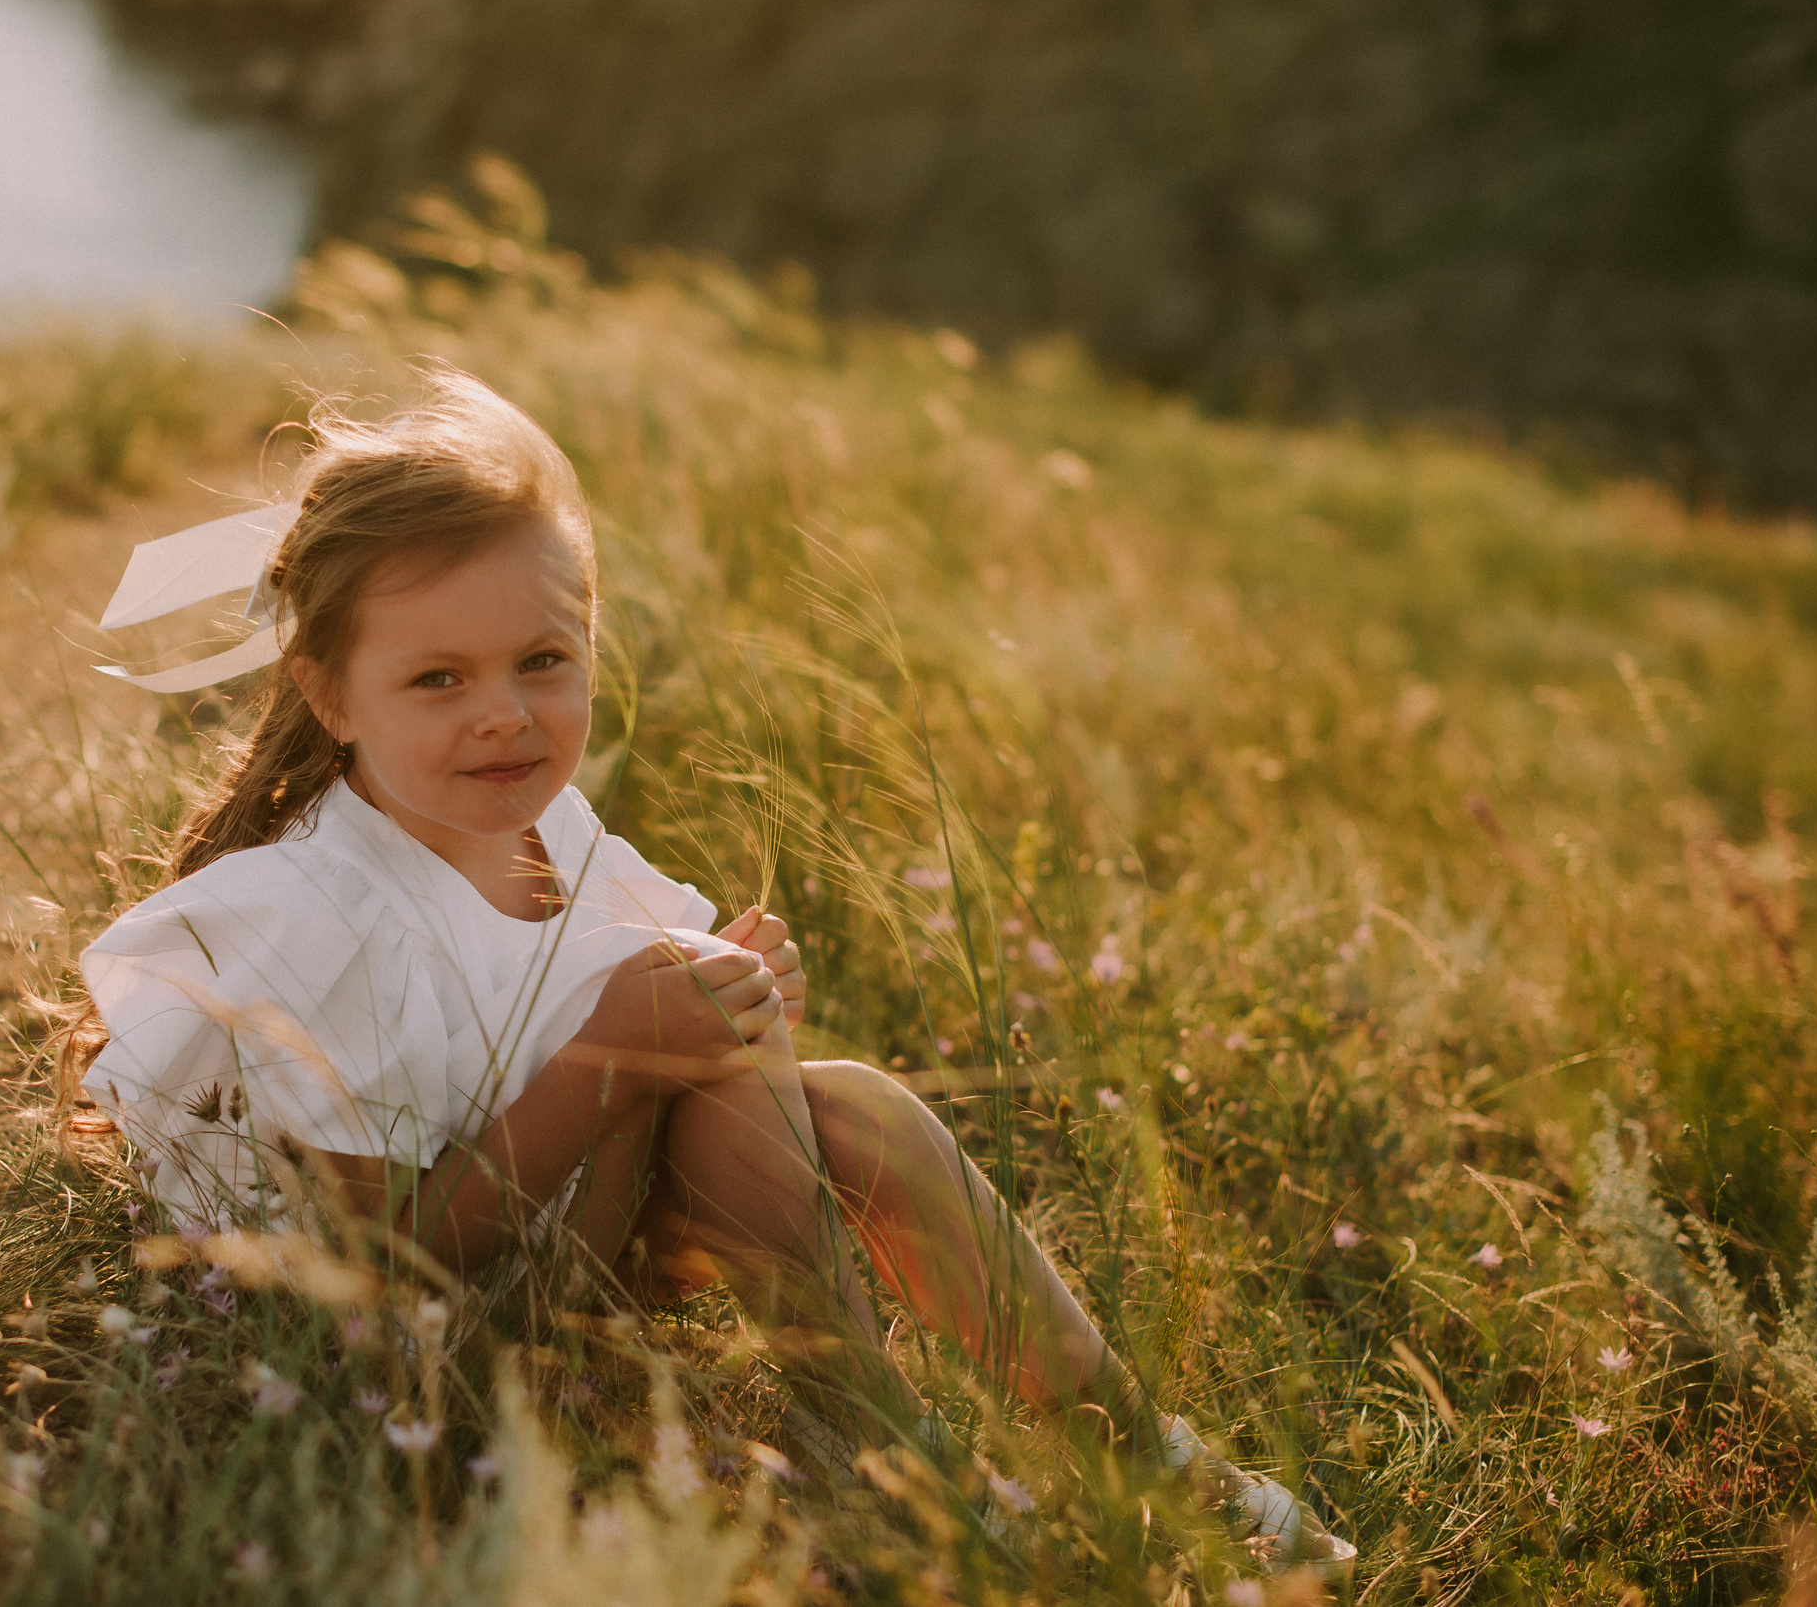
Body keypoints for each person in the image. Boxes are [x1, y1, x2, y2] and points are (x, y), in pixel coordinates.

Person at [70, 370, 1352, 1574]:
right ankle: (891, 1466)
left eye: (543, 660)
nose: (505, 712)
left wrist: (732, 997)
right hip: (398, 1350)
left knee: (847, 1099)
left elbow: (639, 1019)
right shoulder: (313, 920)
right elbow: (392, 1272)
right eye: (437, 678)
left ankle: (1129, 1444)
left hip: (563, 1244)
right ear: (332, 696)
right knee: (683, 1032)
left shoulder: (544, 833)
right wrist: (620, 1051)